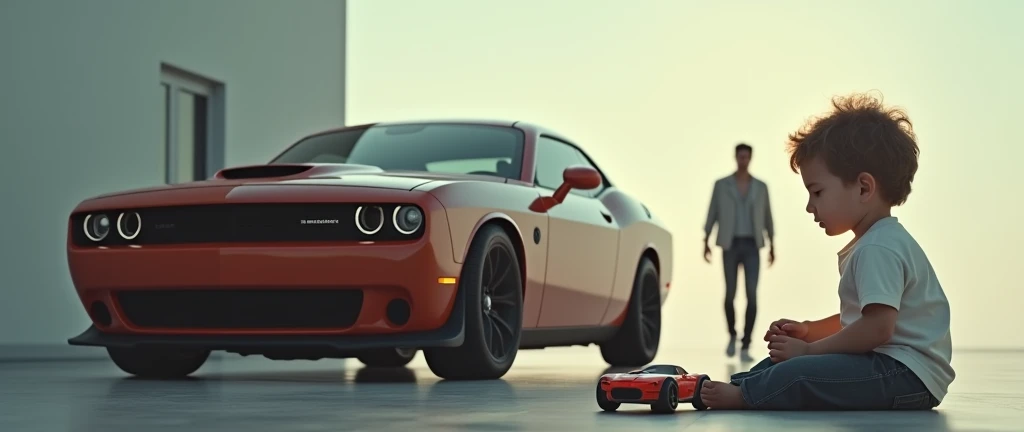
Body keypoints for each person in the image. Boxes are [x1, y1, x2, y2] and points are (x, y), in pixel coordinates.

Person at [699, 92, 955, 411]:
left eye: (817, 192)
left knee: (801, 371)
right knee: (783, 363)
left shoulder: (878, 248)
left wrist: (809, 351)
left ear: (863, 188)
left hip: (905, 375)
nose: (810, 206)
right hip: (894, 368)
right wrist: (809, 331)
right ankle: (744, 384)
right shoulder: (877, 241)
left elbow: (877, 328)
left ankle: (744, 396)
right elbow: (861, 319)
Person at [703, 143, 775, 361]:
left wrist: (772, 244)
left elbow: (767, 216)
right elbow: (712, 213)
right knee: (730, 294)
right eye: (740, 156)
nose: (743, 160)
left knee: (752, 295)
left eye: (746, 157)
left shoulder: (760, 187)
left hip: (753, 245)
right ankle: (732, 335)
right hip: (730, 244)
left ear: (750, 158)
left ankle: (746, 344)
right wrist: (705, 240)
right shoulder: (722, 185)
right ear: (735, 157)